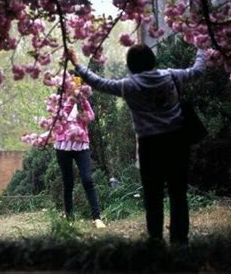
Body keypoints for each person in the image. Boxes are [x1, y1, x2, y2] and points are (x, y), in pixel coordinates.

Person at [68, 44, 206, 245]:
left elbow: (98, 82)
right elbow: (197, 71)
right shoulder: (171, 76)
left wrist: (76, 63)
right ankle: (180, 240)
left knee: (153, 195)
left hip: (149, 146)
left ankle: (156, 240)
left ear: (130, 66)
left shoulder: (128, 86)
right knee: (178, 193)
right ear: (153, 60)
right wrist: (202, 46)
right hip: (177, 141)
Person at [54, 77, 106, 229]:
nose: (74, 88)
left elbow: (91, 117)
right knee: (68, 182)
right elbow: (61, 118)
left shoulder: (83, 101)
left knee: (87, 180)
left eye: (76, 85)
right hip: (63, 145)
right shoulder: (59, 101)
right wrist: (71, 100)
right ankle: (70, 218)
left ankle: (97, 218)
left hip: (81, 145)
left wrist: (82, 101)